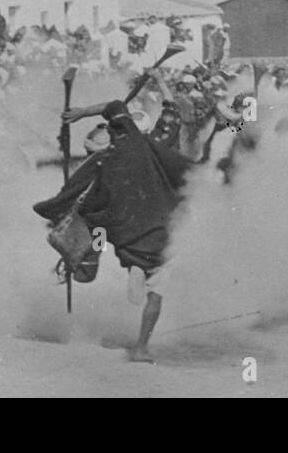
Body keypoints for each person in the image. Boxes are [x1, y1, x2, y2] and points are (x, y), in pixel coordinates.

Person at [36, 98, 189, 362]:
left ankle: (99, 259)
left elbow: (75, 196)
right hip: (159, 231)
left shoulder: (101, 161)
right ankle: (141, 346)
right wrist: (85, 111)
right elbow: (119, 105)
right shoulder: (149, 145)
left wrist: (53, 209)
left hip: (120, 235)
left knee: (97, 225)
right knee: (157, 291)